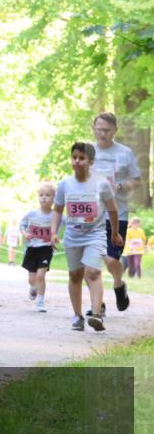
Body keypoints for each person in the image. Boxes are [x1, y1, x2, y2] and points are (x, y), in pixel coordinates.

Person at [51, 142, 120, 332]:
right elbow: (57, 210)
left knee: (93, 272)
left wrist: (114, 233)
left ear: (91, 161)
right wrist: (54, 232)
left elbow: (113, 210)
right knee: (75, 275)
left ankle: (96, 315)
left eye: (81, 158)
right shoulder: (65, 184)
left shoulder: (101, 183)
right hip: (73, 235)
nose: (77, 161)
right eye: (74, 157)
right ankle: (77, 316)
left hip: (95, 234)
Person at [92, 112, 141, 313]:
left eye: (107, 130)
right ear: (93, 129)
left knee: (111, 260)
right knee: (91, 266)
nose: (103, 133)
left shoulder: (124, 153)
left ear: (115, 131)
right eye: (99, 129)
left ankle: (119, 284)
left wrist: (120, 187)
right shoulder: (87, 151)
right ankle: (97, 306)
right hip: (91, 216)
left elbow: (136, 180)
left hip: (117, 214)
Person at [20, 183, 56, 312]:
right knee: (32, 278)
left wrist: (55, 237)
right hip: (32, 248)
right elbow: (22, 225)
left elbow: (68, 224)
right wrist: (25, 233)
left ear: (54, 199)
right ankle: (34, 288)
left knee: (41, 276)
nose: (44, 198)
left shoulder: (55, 215)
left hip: (46, 249)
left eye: (47, 195)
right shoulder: (32, 214)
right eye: (41, 195)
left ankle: (40, 302)